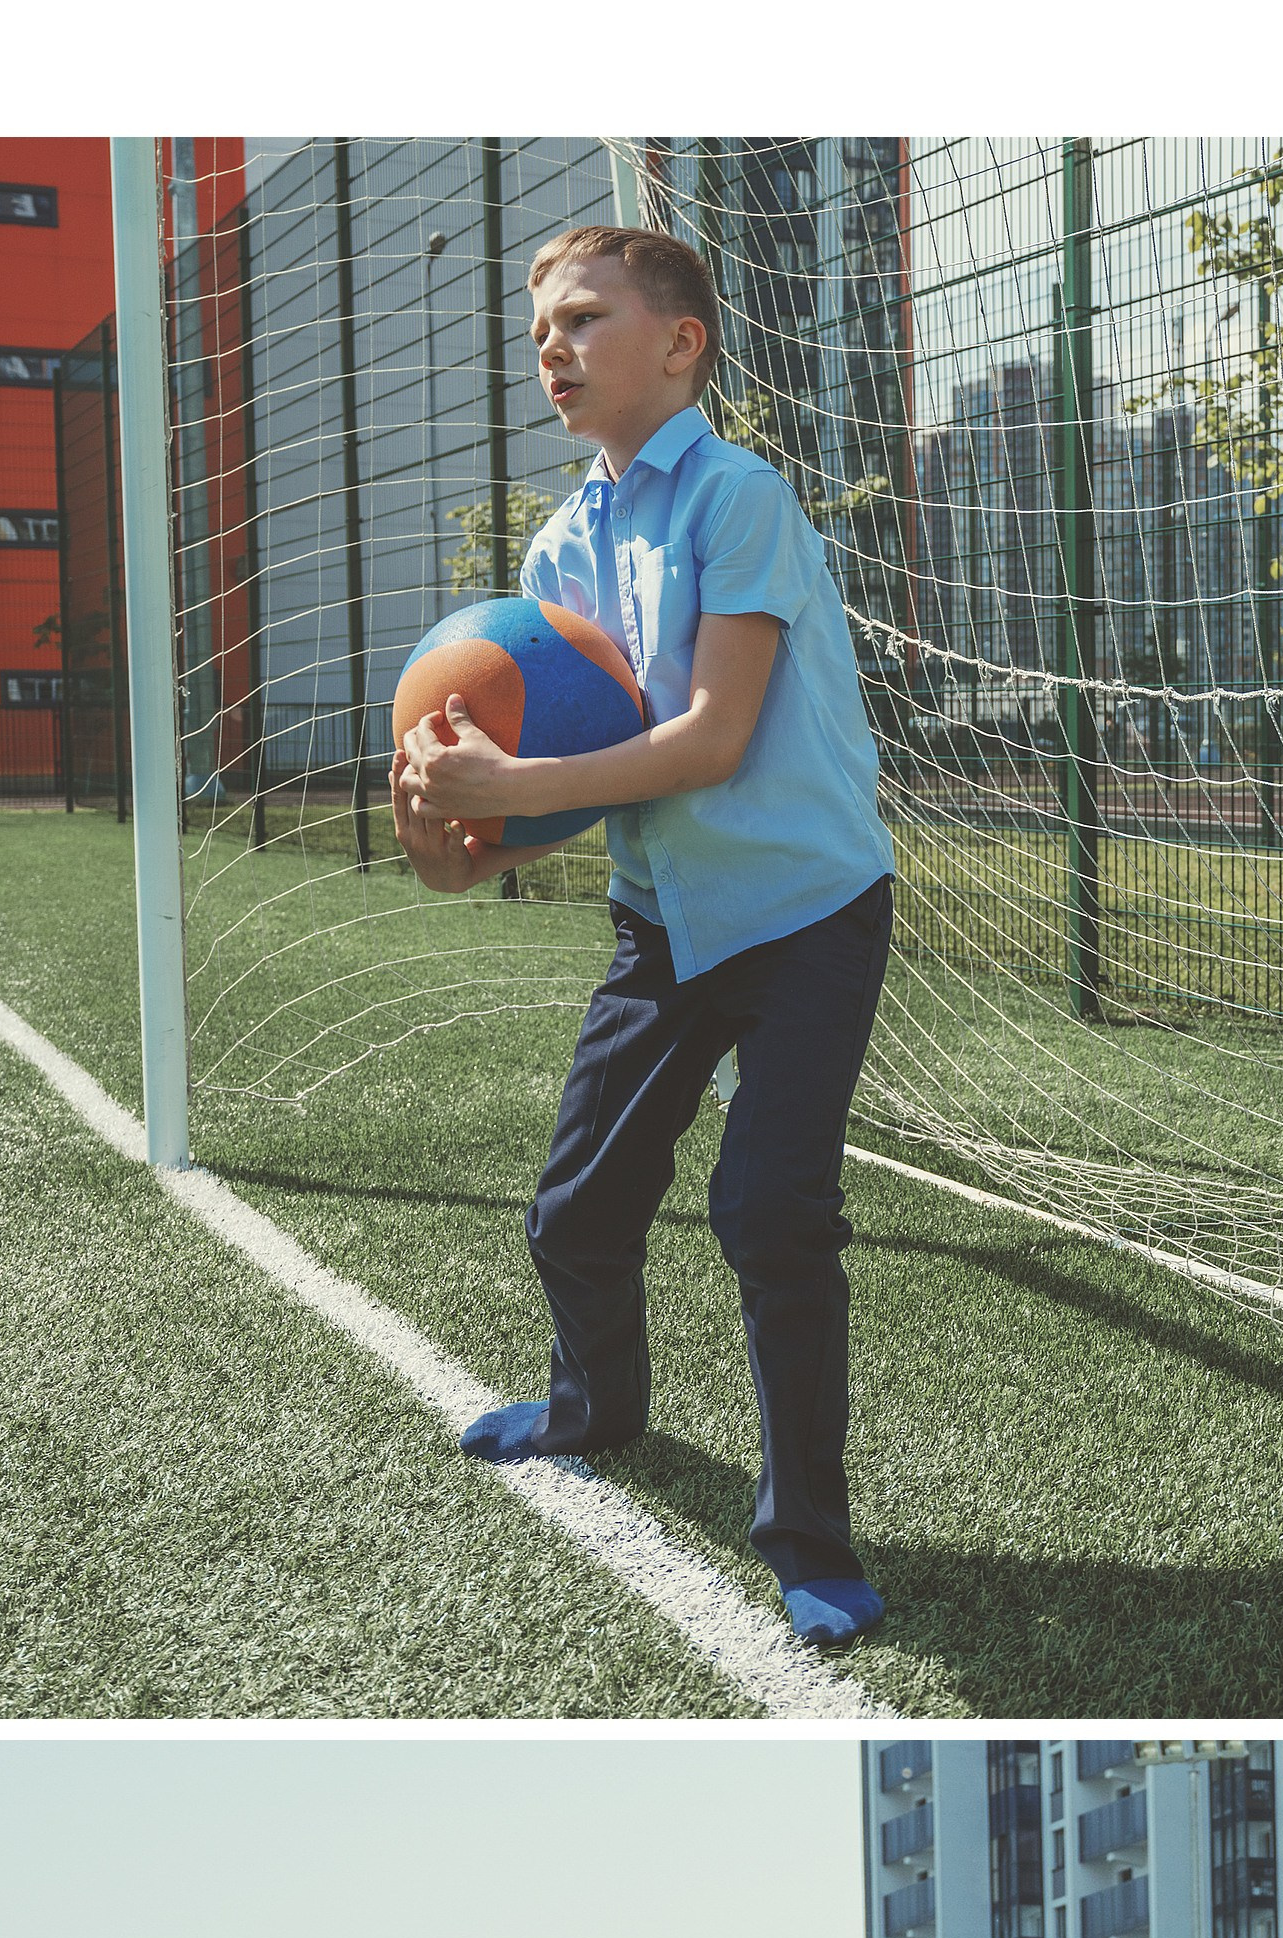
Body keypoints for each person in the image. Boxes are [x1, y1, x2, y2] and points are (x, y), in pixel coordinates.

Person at [392, 221, 899, 1650]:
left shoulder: (742, 499)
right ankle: (592, 1409)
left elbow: (713, 740)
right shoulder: (557, 550)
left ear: (681, 345)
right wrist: (445, 826)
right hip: (665, 921)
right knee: (576, 1210)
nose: (552, 344)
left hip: (805, 909)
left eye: (586, 317)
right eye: (540, 325)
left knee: (768, 1216)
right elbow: (505, 831)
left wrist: (511, 787)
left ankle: (809, 1539)